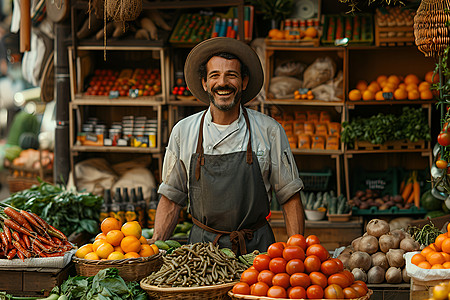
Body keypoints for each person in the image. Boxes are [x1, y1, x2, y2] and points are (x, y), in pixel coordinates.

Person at [151, 37, 305, 255]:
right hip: (201, 253)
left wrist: (297, 254)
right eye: (215, 75)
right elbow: (171, 196)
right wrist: (155, 248)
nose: (222, 83)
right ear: (205, 83)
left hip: (257, 252)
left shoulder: (269, 130)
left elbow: (290, 196)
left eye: (231, 75)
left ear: (243, 82)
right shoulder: (183, 131)